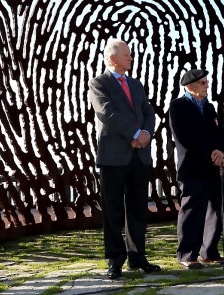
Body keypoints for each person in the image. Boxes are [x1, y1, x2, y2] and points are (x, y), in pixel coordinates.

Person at [88, 38, 161, 280]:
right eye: (127, 54)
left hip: (139, 156)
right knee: (113, 211)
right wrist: (134, 133)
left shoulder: (136, 84)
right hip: (113, 157)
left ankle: (137, 257)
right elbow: (106, 112)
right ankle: (115, 260)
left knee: (138, 209)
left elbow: (148, 110)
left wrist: (146, 134)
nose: (131, 58)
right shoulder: (99, 83)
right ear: (112, 58)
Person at [169, 69, 224, 269]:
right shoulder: (178, 106)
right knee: (192, 210)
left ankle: (209, 251)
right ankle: (187, 254)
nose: (207, 85)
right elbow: (185, 137)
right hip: (192, 167)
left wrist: (221, 151)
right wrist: (210, 152)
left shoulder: (210, 107)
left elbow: (221, 132)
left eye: (206, 82)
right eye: (203, 83)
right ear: (190, 87)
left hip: (213, 166)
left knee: (215, 210)